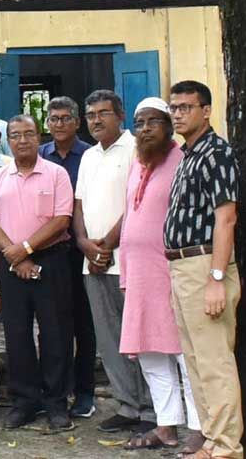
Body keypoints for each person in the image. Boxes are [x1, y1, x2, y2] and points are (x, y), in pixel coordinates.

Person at [0, 115, 76, 432]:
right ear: (9, 139)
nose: (22, 140)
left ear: (39, 137)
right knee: (17, 335)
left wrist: (25, 249)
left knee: (55, 334)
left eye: (29, 134)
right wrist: (16, 254)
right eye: (16, 135)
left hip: (52, 261)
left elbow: (61, 220)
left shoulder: (56, 174)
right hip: (10, 263)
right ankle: (25, 401)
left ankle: (56, 403)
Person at [118, 98, 202, 453]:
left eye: (154, 121)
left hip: (171, 272)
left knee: (185, 353)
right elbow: (129, 215)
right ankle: (166, 426)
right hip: (138, 275)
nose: (146, 128)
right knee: (151, 353)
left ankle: (200, 427)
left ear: (169, 126)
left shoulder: (183, 162)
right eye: (140, 123)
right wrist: (124, 273)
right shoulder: (137, 163)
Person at [164, 81, 242, 459]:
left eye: (186, 107)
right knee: (195, 361)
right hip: (181, 266)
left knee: (214, 361)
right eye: (174, 107)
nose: (178, 113)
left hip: (205, 264)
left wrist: (216, 278)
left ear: (206, 110)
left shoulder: (217, 153)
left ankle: (227, 447)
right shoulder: (187, 154)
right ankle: (212, 441)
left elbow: (225, 218)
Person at [71, 91, 155, 430]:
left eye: (103, 113)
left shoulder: (138, 149)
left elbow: (138, 202)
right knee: (109, 339)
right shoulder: (89, 156)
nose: (95, 120)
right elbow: (78, 205)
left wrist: (105, 246)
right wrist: (83, 244)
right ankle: (127, 406)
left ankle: (152, 409)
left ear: (120, 115)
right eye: (90, 114)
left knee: (140, 337)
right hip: (92, 262)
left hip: (128, 260)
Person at [40, 96, 98, 419]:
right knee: (55, 325)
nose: (59, 124)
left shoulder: (89, 156)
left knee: (84, 323)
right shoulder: (40, 156)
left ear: (77, 123)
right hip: (51, 253)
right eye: (54, 119)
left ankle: (86, 392)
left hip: (84, 251)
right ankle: (57, 390)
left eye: (65, 118)